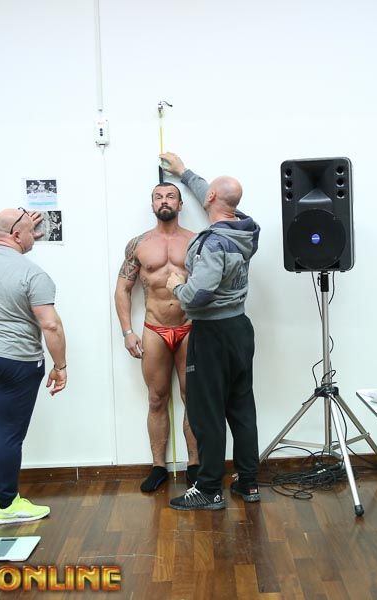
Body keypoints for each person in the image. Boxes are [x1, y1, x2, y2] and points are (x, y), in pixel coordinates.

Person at [160, 151, 261, 511]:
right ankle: (248, 483)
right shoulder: (246, 229)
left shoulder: (211, 243)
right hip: (240, 329)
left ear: (213, 198)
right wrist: (185, 173)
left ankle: (208, 489)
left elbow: (198, 295)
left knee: (206, 412)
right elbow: (218, 198)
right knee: (241, 407)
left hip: (212, 333)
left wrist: (176, 285)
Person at [0, 207, 68, 525]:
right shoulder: (33, 274)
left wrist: (17, 224)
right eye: (30, 232)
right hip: (16, 361)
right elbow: (50, 325)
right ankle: (7, 505)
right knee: (10, 433)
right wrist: (60, 366)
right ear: (16, 235)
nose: (35, 236)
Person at [114, 181, 200, 493]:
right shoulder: (138, 244)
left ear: (180, 204)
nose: (164, 201)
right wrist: (127, 332)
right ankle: (158, 466)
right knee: (156, 398)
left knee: (194, 398)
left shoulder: (196, 241)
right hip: (154, 329)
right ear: (152, 204)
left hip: (190, 327)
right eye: (158, 197)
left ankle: (195, 464)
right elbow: (122, 289)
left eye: (170, 196)